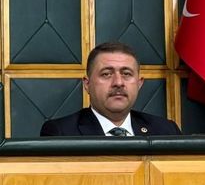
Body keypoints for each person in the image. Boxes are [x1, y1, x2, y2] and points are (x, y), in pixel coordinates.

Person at [40, 42, 181, 137]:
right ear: (87, 84)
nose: (118, 83)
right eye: (106, 74)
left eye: (126, 74)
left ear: (139, 84)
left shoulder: (166, 131)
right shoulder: (61, 132)